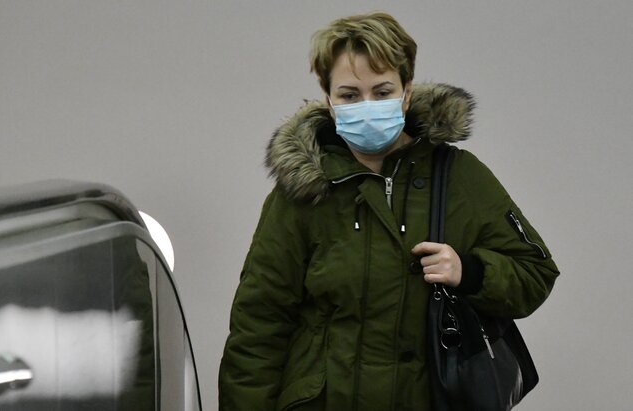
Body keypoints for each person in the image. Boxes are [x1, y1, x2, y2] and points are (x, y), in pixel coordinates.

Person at [218, 12, 559, 411]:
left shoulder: (458, 177)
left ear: (406, 93)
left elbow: (535, 273)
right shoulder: (305, 190)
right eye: (349, 95)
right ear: (328, 101)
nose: (367, 106)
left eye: (382, 92)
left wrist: (469, 271)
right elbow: (258, 325)